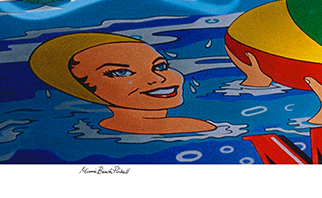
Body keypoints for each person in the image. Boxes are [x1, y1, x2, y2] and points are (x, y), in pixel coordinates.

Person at [30, 33, 214, 134]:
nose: (157, 79)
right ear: (84, 87)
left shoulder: (90, 127)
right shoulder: (196, 127)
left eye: (160, 66)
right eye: (121, 72)